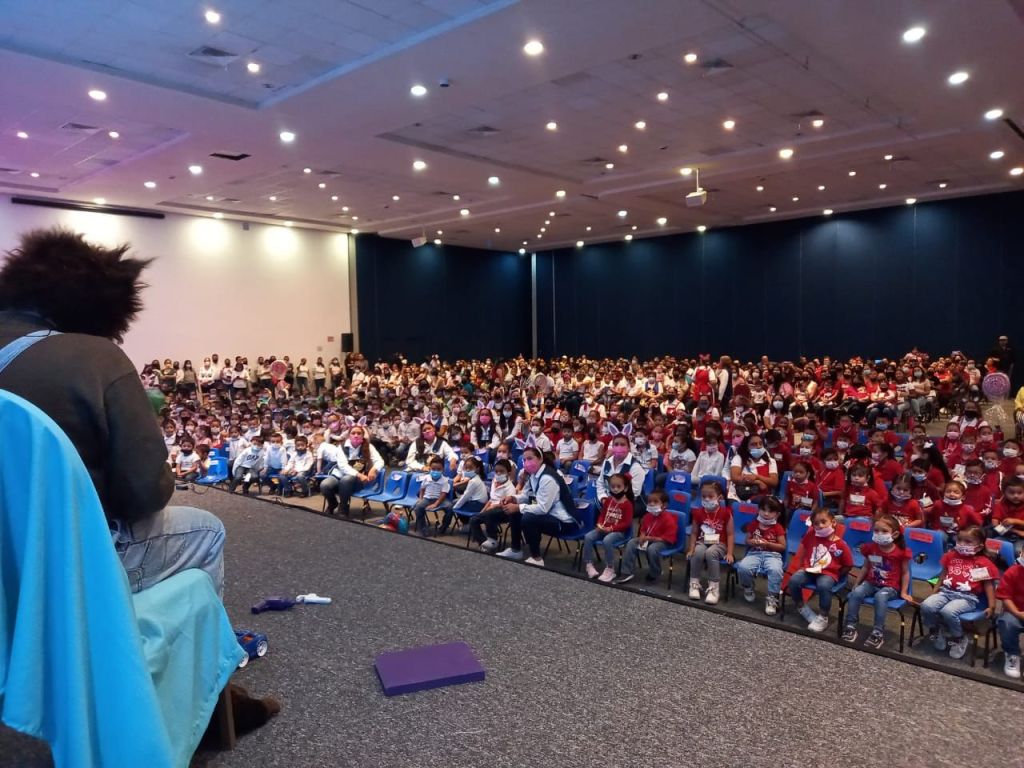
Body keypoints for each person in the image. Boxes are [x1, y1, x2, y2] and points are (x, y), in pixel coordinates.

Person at [0, 228, 278, 732]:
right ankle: (197, 695)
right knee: (205, 529)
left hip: (8, 566)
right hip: (66, 560)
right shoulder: (94, 357)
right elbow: (145, 494)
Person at [919, 526, 998, 660]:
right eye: (960, 540)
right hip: (946, 592)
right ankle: (936, 629)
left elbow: (988, 585)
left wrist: (992, 606)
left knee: (948, 611)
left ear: (979, 547)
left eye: (968, 542)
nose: (962, 544)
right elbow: (942, 575)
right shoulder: (951, 556)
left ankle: (959, 637)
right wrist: (934, 591)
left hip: (967, 598)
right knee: (926, 605)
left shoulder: (981, 563)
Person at [496, 447, 579, 566]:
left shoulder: (547, 478)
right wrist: (513, 498)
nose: (526, 462)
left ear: (540, 459)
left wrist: (518, 507)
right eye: (524, 460)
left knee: (528, 517)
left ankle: (536, 558)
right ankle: (515, 550)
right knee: (515, 512)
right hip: (548, 515)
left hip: (563, 522)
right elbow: (526, 495)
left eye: (530, 458)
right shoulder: (534, 475)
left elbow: (542, 508)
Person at [841, 514, 914, 649]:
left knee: (880, 597)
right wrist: (857, 583)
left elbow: (905, 573)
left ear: (895, 534)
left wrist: (904, 592)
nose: (879, 534)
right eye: (876, 530)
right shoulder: (871, 548)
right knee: (856, 593)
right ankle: (850, 625)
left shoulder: (900, 552)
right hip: (871, 583)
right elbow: (865, 567)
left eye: (884, 531)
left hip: (890, 587)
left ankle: (878, 632)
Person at [787, 508, 853, 633]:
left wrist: (837, 574)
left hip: (828, 573)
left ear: (833, 522)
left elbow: (848, 564)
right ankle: (801, 606)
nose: (820, 526)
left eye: (823, 522)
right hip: (809, 570)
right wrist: (802, 567)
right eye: (816, 523)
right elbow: (804, 551)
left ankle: (823, 616)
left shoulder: (841, 544)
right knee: (794, 580)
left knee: (824, 585)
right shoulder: (810, 536)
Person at [735, 496, 787, 615]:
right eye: (763, 510)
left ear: (777, 514)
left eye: (770, 511)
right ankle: (748, 587)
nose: (766, 514)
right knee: (743, 567)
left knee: (775, 570)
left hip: (772, 555)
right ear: (758, 510)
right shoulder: (754, 524)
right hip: (755, 553)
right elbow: (747, 541)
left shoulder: (778, 527)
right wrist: (752, 542)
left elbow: (782, 547)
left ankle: (772, 597)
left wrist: (768, 544)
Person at [613, 489, 678, 585]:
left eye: (655, 502)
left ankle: (655, 572)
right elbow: (643, 529)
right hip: (648, 539)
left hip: (663, 542)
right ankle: (626, 572)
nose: (651, 504)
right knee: (631, 543)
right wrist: (642, 535)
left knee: (652, 549)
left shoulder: (669, 519)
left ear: (664, 505)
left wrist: (650, 538)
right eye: (650, 501)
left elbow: (668, 538)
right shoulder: (648, 516)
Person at [320, 424, 383, 516]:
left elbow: (380, 461)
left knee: (346, 480)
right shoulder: (341, 447)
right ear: (349, 435)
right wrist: (358, 474)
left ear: (363, 435)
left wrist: (374, 469)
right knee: (325, 485)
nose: (356, 435)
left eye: (359, 433)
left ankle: (343, 508)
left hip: (358, 480)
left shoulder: (369, 446)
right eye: (353, 433)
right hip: (340, 475)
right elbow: (343, 466)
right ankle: (332, 503)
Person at [583, 472, 634, 583]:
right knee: (588, 537)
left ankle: (610, 568)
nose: (615, 489)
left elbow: (627, 523)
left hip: (619, 532)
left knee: (607, 540)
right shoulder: (609, 500)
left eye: (618, 486)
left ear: (625, 488)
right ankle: (589, 564)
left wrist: (611, 529)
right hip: (604, 528)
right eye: (613, 486)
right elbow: (602, 515)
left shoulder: (627, 504)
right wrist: (599, 524)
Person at [468, 458, 517, 551]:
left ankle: (493, 540)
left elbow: (508, 504)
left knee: (490, 515)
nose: (498, 473)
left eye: (501, 471)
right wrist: (483, 511)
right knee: (473, 520)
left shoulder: (510, 488)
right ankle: (483, 543)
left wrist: (495, 506)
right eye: (496, 471)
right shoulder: (494, 481)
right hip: (491, 509)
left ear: (508, 473)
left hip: (503, 511)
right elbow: (491, 499)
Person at [995, 548, 1024, 678]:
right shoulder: (1013, 572)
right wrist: (1017, 613)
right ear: (1022, 553)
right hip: (1014, 612)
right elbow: (1005, 597)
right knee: (1006, 623)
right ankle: (1012, 654)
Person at [411, 455, 452, 536]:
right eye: (433, 469)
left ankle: (444, 527)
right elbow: (422, 489)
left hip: (440, 500)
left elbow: (443, 494)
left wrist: (435, 504)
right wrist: (421, 498)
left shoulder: (445, 480)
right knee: (418, 508)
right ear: (429, 468)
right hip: (427, 499)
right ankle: (422, 528)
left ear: (443, 470)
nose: (435, 471)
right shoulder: (426, 478)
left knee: (450, 507)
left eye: (438, 469)